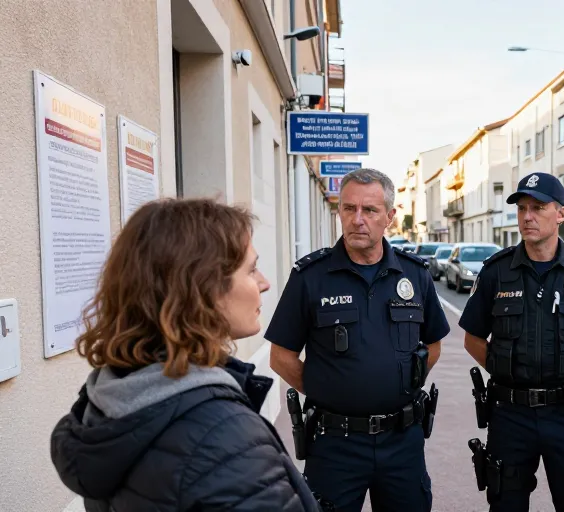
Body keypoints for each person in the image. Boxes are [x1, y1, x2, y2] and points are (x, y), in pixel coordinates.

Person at [50, 198, 319, 511]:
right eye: (252, 269)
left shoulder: (111, 394)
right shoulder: (225, 440)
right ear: (203, 289)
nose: (265, 284)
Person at [266, 168, 449, 511]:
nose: (358, 219)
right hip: (335, 444)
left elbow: (434, 345)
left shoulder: (415, 274)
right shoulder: (311, 277)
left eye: (370, 210)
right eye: (349, 208)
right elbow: (281, 356)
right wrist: (329, 390)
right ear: (340, 212)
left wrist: (402, 383)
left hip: (402, 441)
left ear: (389, 217)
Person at [460, 172, 564, 511]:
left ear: (561, 213)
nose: (527, 217)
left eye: (538, 207)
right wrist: (505, 369)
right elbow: (472, 338)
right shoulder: (496, 272)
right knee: (505, 504)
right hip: (510, 414)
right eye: (522, 208)